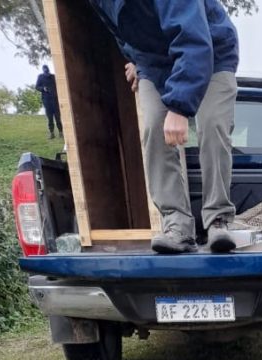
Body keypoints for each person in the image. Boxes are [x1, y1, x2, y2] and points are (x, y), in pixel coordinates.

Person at [88, 0, 240, 255]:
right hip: (155, 62)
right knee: (153, 129)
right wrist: (135, 59)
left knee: (213, 124)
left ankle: (218, 219)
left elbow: (194, 40)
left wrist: (179, 108)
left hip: (211, 48)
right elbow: (121, 31)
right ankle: (177, 225)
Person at [35, 64, 63, 140]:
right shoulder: (40, 77)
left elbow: (59, 86)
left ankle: (61, 132)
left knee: (57, 117)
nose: (46, 70)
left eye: (46, 69)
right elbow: (37, 87)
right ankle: (52, 133)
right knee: (50, 117)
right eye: (44, 69)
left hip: (55, 100)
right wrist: (43, 89)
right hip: (46, 100)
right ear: (43, 70)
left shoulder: (53, 77)